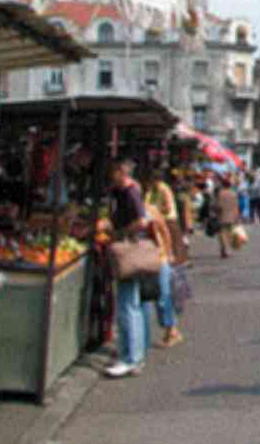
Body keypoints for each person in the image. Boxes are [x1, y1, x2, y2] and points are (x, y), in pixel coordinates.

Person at [106, 160, 150, 378]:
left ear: (120, 173)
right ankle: (134, 354)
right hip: (131, 248)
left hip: (129, 251)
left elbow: (142, 220)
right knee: (133, 304)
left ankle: (130, 358)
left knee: (127, 306)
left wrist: (120, 232)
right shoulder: (127, 190)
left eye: (112, 173)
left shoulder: (130, 192)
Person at [144, 204, 185, 349]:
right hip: (144, 260)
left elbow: (164, 231)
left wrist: (169, 253)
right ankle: (167, 331)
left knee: (163, 296)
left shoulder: (150, 210)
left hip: (159, 258)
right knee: (152, 298)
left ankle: (172, 330)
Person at [144, 171, 186, 266]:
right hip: (158, 219)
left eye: (152, 181)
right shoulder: (152, 190)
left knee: (174, 241)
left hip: (168, 218)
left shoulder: (164, 189)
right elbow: (147, 203)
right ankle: (169, 259)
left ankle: (179, 262)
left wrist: (155, 209)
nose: (151, 184)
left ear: (157, 180)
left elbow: (167, 207)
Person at [217, 176, 240, 259]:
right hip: (232, 216)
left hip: (222, 216)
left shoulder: (220, 193)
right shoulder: (233, 193)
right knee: (229, 233)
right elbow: (236, 206)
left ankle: (224, 249)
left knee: (222, 233)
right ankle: (228, 249)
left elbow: (218, 205)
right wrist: (237, 217)